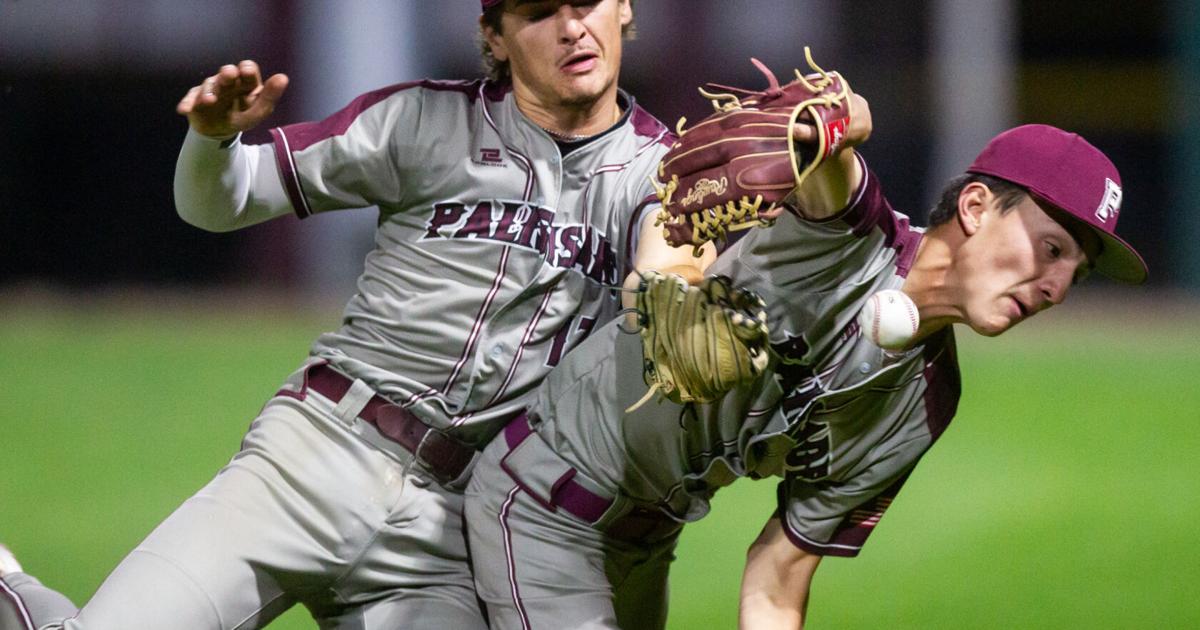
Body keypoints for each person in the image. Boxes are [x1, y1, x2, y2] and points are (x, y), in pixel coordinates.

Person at [0, 1, 714, 628]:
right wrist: (213, 141)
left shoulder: (671, 175)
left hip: (447, 534)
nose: (570, 27)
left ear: (624, 9)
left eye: (587, 2)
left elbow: (664, 271)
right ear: (493, 37)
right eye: (536, 11)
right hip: (313, 462)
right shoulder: (421, 121)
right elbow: (225, 200)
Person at [462, 122, 1147, 629]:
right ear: (974, 208)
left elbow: (777, 574)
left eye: (1073, 274)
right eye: (1050, 249)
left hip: (646, 548)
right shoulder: (848, 233)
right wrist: (839, 119)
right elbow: (826, 156)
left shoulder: (923, 409)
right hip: (544, 498)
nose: (1056, 287)